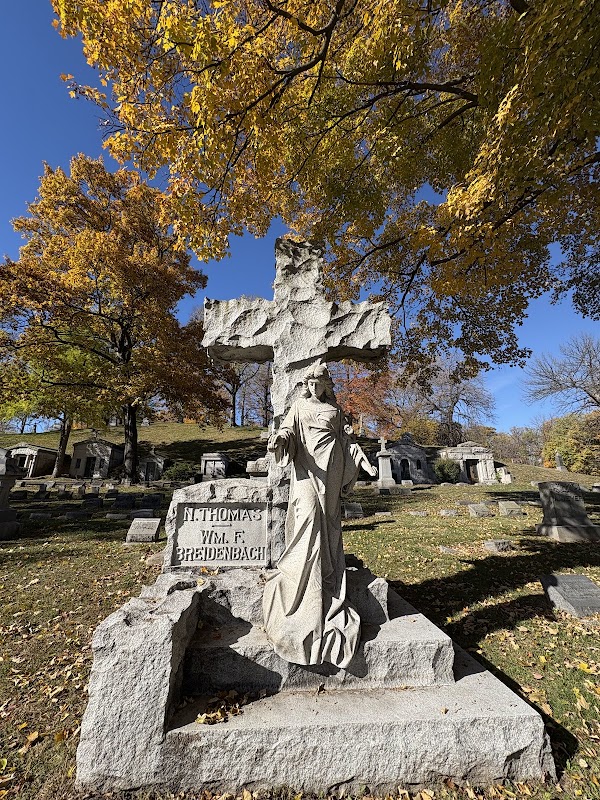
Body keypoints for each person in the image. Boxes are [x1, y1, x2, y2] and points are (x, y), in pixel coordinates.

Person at [262, 363, 377, 668]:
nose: (315, 387)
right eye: (310, 383)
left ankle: (325, 582)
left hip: (331, 473)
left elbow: (345, 441)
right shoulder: (299, 406)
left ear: (327, 384)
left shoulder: (335, 411)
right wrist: (281, 439)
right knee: (307, 520)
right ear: (306, 385)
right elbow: (288, 430)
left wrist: (359, 460)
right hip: (306, 474)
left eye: (319, 383)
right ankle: (302, 587)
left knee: (328, 527)